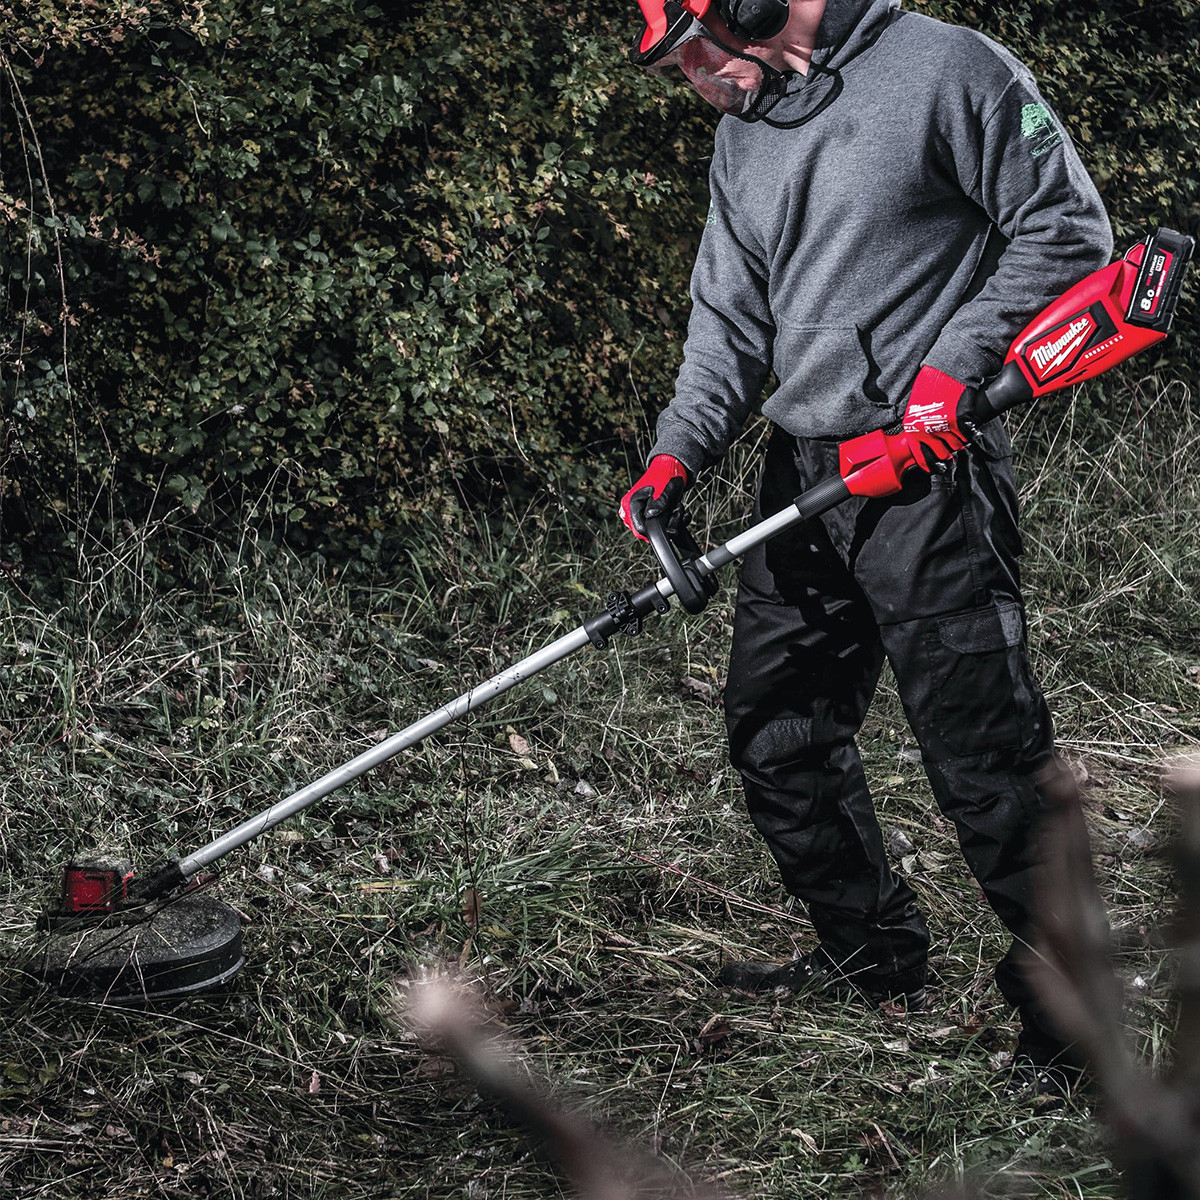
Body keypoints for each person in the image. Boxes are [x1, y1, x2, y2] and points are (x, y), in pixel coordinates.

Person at [620, 0, 1113, 1084]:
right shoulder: (747, 129)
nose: (698, 82)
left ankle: (1073, 1023)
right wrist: (676, 454)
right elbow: (729, 317)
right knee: (777, 736)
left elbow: (1067, 231)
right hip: (803, 474)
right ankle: (872, 959)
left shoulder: (952, 70)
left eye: (696, 52)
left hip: (927, 474)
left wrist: (953, 371)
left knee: (985, 763)